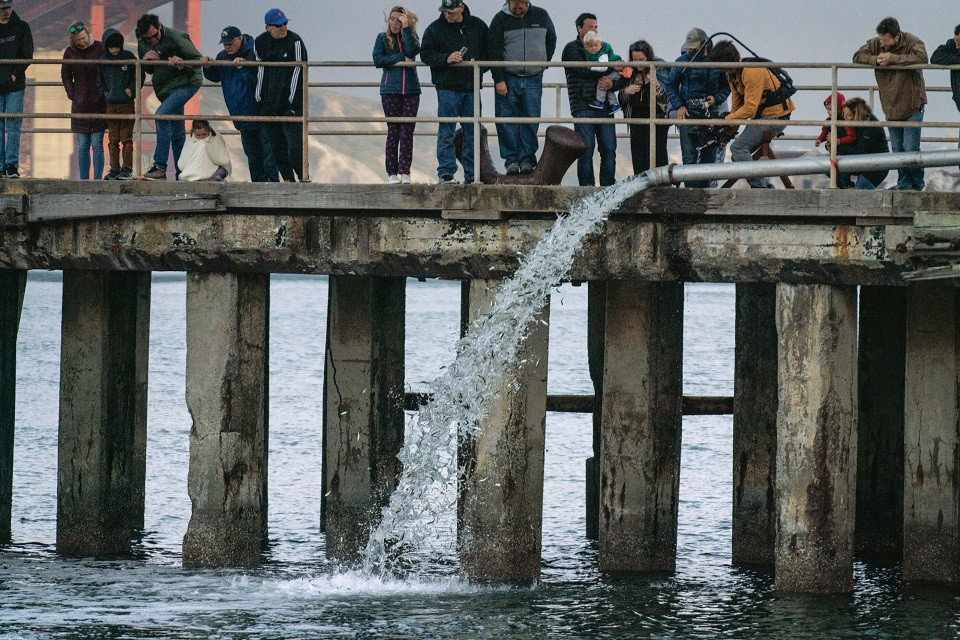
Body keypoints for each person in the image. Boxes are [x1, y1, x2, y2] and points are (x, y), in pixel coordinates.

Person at [853, 17, 927, 191]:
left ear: (896, 36)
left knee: (910, 148)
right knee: (897, 149)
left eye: (886, 40)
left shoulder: (912, 41)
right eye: (881, 40)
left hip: (912, 103)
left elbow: (922, 58)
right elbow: (857, 56)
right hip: (890, 104)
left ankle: (917, 185)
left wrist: (893, 58)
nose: (883, 43)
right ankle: (904, 184)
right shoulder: (875, 44)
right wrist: (875, 60)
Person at [709, 39, 795, 189]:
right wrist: (728, 133)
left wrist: (724, 121)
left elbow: (750, 109)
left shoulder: (751, 71)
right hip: (763, 116)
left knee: (738, 149)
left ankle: (760, 189)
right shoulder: (734, 76)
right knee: (738, 155)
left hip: (775, 116)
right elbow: (737, 109)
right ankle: (763, 185)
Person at [420, 0, 488, 184]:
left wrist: (477, 69)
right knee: (447, 132)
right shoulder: (434, 29)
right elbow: (425, 54)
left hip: (471, 88)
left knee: (473, 133)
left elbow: (488, 54)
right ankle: (446, 174)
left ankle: (472, 175)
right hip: (447, 88)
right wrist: (446, 58)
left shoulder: (478, 26)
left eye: (451, 12)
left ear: (462, 8)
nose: (447, 15)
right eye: (445, 12)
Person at [202, 26, 278, 182]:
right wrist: (208, 67)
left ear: (239, 39)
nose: (227, 47)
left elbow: (260, 81)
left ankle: (272, 184)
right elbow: (216, 76)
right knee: (253, 155)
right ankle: (258, 185)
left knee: (268, 154)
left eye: (230, 43)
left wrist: (243, 67)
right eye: (224, 44)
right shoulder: (223, 56)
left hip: (261, 113)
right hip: (241, 116)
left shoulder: (255, 53)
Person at [488, 0, 556, 175]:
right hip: (508, 77)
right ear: (508, 2)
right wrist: (499, 79)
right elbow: (493, 50)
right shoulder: (499, 20)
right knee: (506, 120)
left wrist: (543, 62)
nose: (518, 10)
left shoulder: (542, 15)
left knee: (531, 119)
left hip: (534, 77)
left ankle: (527, 160)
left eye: (521, 6)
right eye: (515, 7)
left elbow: (551, 39)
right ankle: (511, 160)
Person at [562, 13, 626, 187]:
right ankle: (586, 189)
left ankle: (608, 187)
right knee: (585, 149)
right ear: (579, 28)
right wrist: (611, 68)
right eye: (591, 27)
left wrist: (611, 83)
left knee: (608, 149)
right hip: (582, 105)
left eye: (596, 27)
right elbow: (585, 70)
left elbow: (620, 73)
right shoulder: (572, 49)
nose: (594, 30)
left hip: (604, 106)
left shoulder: (603, 47)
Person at [136, 13, 202, 180]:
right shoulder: (143, 42)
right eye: (148, 38)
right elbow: (150, 70)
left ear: (159, 26)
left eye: (155, 36)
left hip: (187, 83)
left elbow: (197, 59)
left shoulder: (177, 37)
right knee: (178, 135)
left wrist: (182, 61)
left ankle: (160, 167)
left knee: (161, 115)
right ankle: (183, 174)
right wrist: (147, 61)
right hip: (166, 89)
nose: (152, 41)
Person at [664, 28, 730, 187]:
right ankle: (691, 196)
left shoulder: (717, 62)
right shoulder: (682, 62)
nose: (691, 50)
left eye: (694, 46)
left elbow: (727, 86)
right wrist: (679, 106)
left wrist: (716, 99)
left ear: (704, 43)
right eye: (689, 47)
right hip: (688, 115)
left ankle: (702, 195)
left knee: (708, 159)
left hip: (710, 116)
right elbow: (670, 85)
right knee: (689, 158)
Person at [255, 8, 308, 182]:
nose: (283, 27)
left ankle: (303, 179)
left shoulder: (295, 41)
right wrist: (259, 98)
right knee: (277, 149)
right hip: (269, 105)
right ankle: (289, 182)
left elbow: (299, 73)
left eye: (285, 23)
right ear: (268, 27)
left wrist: (293, 104)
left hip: (290, 106)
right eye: (278, 25)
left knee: (295, 148)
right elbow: (260, 70)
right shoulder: (260, 42)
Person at [373, 5, 421, 184]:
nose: (394, 23)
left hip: (411, 90)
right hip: (390, 91)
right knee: (393, 131)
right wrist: (399, 58)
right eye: (392, 19)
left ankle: (405, 172)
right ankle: (391, 173)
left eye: (399, 20)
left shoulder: (412, 37)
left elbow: (412, 51)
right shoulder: (382, 38)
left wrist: (407, 28)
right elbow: (378, 60)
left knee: (407, 131)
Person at [61, 22, 106, 180]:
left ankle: (98, 179)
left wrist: (104, 92)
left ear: (88, 34)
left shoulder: (100, 48)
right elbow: (66, 75)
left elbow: (108, 69)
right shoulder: (69, 53)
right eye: (79, 39)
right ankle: (84, 180)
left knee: (98, 145)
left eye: (84, 37)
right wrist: (71, 93)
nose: (83, 41)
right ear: (74, 40)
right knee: (83, 146)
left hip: (99, 103)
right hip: (79, 105)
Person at [617, 39, 670, 175]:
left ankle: (661, 187)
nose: (638, 63)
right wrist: (626, 91)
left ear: (648, 57)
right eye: (635, 60)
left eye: (641, 59)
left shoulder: (658, 69)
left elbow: (666, 100)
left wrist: (655, 84)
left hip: (657, 119)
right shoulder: (629, 72)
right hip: (636, 119)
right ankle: (640, 187)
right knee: (639, 157)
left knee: (658, 155)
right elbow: (621, 100)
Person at [98, 28, 138, 180]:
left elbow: (139, 75)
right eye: (111, 47)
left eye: (117, 46)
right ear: (106, 47)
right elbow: (100, 82)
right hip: (111, 105)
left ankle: (126, 169)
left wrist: (132, 90)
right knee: (113, 140)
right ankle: (114, 169)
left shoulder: (128, 57)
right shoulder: (103, 61)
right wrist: (106, 93)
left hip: (127, 104)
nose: (115, 50)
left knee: (126, 139)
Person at [0, 0, 33, 178]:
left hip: (15, 86)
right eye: (3, 8)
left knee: (12, 126)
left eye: (9, 7)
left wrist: (15, 73)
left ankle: (11, 166)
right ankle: (0, 166)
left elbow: (27, 54)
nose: (7, 11)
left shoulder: (22, 27)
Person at [840, 97, 889, 190]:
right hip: (860, 162)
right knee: (830, 170)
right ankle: (847, 187)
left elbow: (860, 151)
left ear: (857, 114)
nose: (844, 119)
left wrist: (838, 146)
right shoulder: (850, 124)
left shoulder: (871, 124)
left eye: (848, 115)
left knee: (860, 192)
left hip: (876, 166)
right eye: (844, 115)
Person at [931, 24, 960, 151]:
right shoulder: (952, 45)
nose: (957, 46)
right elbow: (935, 57)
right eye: (956, 42)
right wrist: (956, 58)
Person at [581, 32, 627, 112]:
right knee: (607, 87)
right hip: (611, 71)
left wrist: (591, 67)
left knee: (602, 82)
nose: (594, 48)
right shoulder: (589, 53)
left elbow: (603, 67)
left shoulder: (602, 53)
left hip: (616, 72)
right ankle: (614, 104)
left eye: (596, 45)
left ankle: (600, 101)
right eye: (590, 46)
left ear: (601, 44)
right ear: (585, 47)